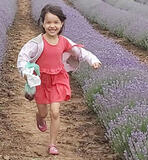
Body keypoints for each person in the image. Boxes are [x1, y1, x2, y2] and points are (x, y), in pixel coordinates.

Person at [17, 4, 101, 155]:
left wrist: (93, 60)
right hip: (40, 81)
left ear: (62, 23)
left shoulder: (63, 41)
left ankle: (52, 144)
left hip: (58, 79)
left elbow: (80, 52)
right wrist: (25, 71)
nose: (52, 26)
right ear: (42, 23)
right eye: (48, 22)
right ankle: (39, 117)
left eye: (56, 22)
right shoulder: (37, 43)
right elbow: (23, 57)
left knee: (55, 112)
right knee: (43, 113)